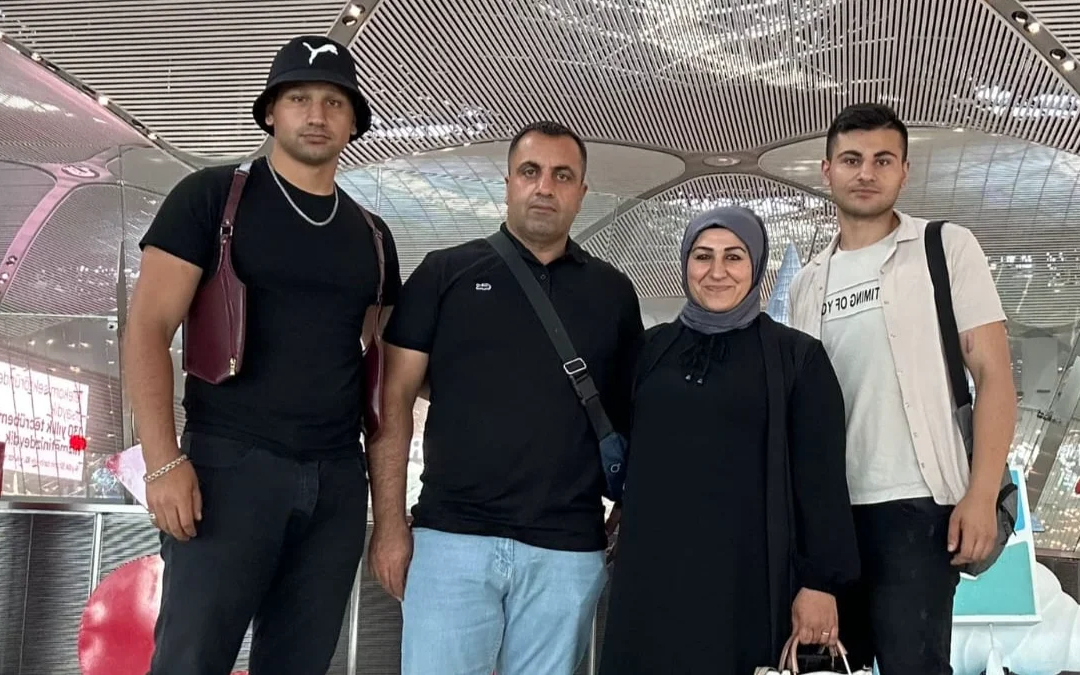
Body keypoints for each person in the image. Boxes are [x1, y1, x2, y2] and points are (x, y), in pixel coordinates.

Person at [124, 35, 401, 675]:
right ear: (271, 111)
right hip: (228, 467)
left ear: (354, 122)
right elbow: (147, 328)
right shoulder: (212, 198)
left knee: (301, 662)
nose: (316, 114)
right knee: (191, 660)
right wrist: (162, 461)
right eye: (299, 98)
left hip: (336, 477)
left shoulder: (372, 235)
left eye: (334, 102)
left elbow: (388, 363)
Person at [368, 120, 644, 675]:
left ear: (581, 192)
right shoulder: (445, 273)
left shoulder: (613, 293)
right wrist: (390, 525)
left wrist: (629, 508)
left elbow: (633, 415)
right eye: (530, 171)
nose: (545, 187)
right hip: (451, 540)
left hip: (566, 549)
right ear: (509, 182)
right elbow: (390, 402)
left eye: (562, 176)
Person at [787, 103, 1017, 675]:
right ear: (827, 171)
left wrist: (980, 494)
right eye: (851, 160)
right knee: (823, 667)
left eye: (882, 160)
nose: (866, 173)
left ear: (904, 172)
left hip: (918, 507)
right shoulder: (807, 283)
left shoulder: (945, 248)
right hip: (831, 515)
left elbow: (994, 376)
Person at [598, 206, 860, 674]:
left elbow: (821, 483)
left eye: (733, 257)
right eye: (703, 256)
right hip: (650, 578)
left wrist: (820, 582)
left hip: (750, 579)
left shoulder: (796, 359)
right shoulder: (649, 351)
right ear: (685, 263)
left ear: (756, 266)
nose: (716, 271)